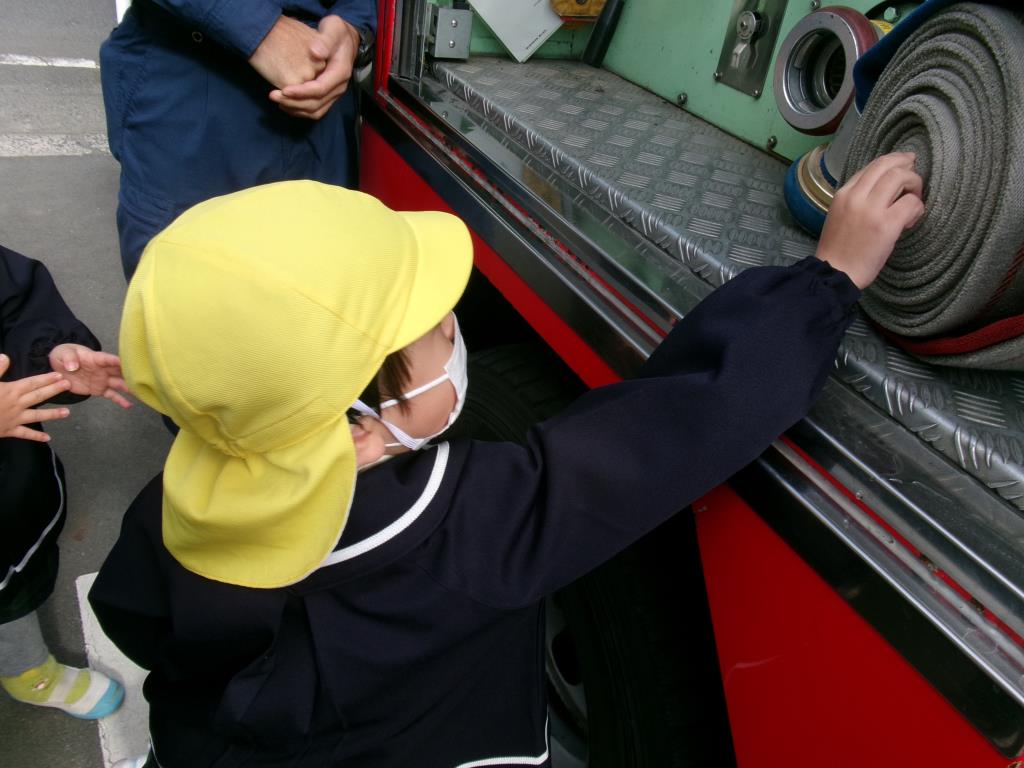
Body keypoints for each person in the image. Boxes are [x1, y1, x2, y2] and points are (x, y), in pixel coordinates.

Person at [90, 153, 924, 767]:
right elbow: (677, 427)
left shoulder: (176, 505)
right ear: (356, 431)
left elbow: (131, 616)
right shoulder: (469, 528)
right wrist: (828, 279)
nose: (455, 329)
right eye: (435, 328)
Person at [98, 0, 377, 280]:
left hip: (323, 89)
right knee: (185, 289)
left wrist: (352, 27)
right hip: (195, 77)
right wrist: (262, 30)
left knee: (322, 284)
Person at [0, 244, 132, 719]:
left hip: (10, 482)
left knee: (14, 582)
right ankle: (28, 673)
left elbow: (16, 301)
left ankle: (24, 666)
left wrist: (49, 356)